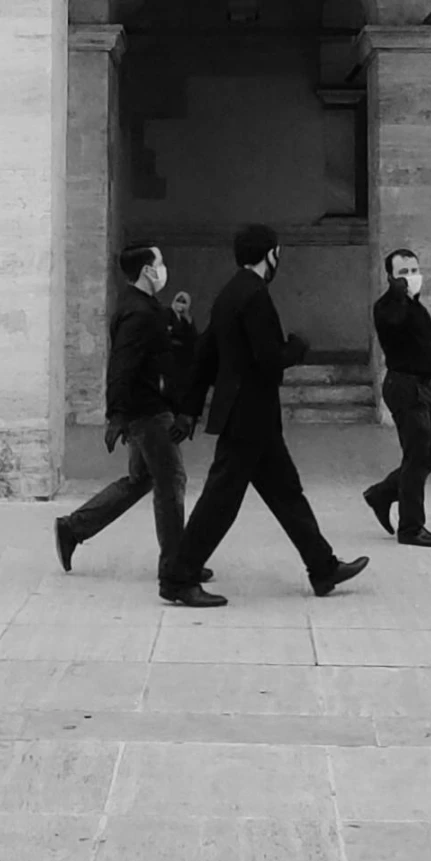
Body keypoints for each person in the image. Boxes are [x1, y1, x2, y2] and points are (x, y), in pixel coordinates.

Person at [159, 222, 369, 608]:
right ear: (270, 254)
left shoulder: (228, 294)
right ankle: (178, 577)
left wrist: (189, 410)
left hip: (250, 417)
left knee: (286, 493)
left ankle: (322, 568)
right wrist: (297, 348)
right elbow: (268, 361)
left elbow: (207, 355)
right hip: (249, 417)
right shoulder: (254, 296)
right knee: (221, 500)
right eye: (278, 252)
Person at [54, 243, 210, 589]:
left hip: (148, 408)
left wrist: (181, 322)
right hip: (148, 412)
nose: (164, 269)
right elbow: (122, 366)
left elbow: (164, 349)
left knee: (142, 480)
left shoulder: (145, 307)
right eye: (160, 263)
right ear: (146, 271)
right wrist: (116, 414)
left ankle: (74, 527)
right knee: (171, 483)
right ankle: (175, 567)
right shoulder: (137, 313)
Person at [362, 247, 431, 547]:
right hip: (404, 387)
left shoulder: (417, 307)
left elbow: (427, 353)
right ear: (390, 277)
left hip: (427, 387)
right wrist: (401, 292)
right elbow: (395, 323)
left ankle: (382, 494)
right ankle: (411, 528)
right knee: (416, 455)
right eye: (403, 273)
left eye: (414, 271)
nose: (411, 278)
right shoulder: (387, 307)